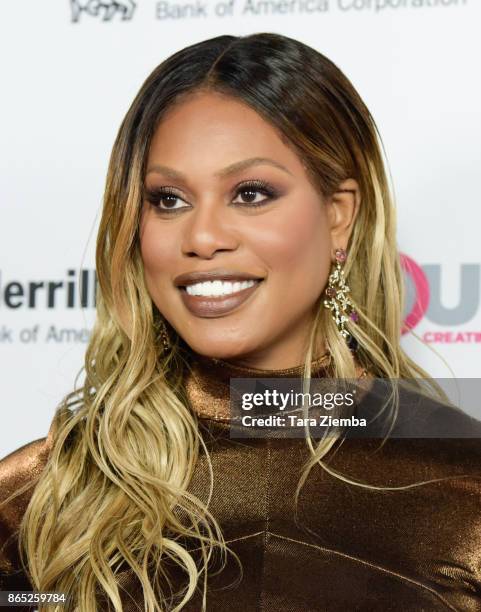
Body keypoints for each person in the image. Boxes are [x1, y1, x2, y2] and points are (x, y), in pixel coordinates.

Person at [1, 32, 481, 611]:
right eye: (168, 199)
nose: (202, 238)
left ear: (338, 216)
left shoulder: (462, 482)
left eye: (250, 193)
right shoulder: (43, 497)